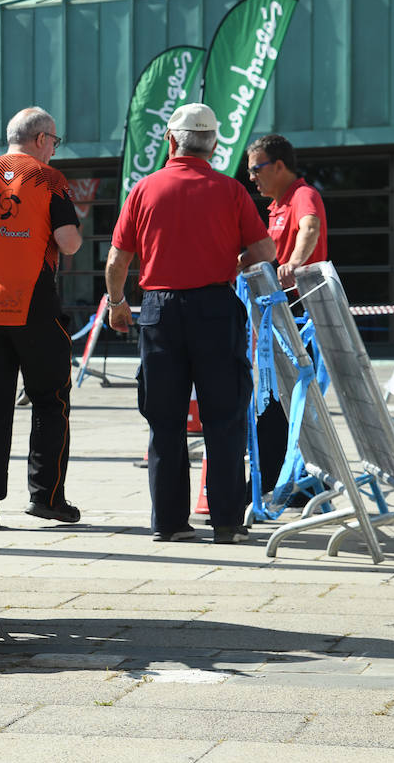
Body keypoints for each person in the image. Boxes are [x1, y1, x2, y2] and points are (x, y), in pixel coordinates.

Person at [105, 102, 275, 544]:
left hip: (160, 309)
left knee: (165, 418)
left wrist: (118, 303)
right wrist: (230, 261)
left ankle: (169, 522)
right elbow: (265, 252)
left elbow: (117, 259)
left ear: (171, 140)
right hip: (216, 308)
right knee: (224, 416)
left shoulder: (144, 190)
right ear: (214, 144)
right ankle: (225, 522)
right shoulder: (231, 191)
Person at [0, 107, 83, 528]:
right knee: (50, 401)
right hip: (35, 307)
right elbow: (68, 243)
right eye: (54, 141)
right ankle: (47, 497)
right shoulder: (48, 179)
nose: (54, 148)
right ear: (40, 139)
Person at [246, 134, 328, 495]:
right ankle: (276, 480)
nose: (252, 177)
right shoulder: (276, 207)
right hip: (275, 323)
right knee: (272, 403)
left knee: (296, 405)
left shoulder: (303, 196)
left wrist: (294, 262)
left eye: (256, 169)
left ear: (279, 165)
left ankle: (301, 482)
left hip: (301, 320)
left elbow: (310, 228)